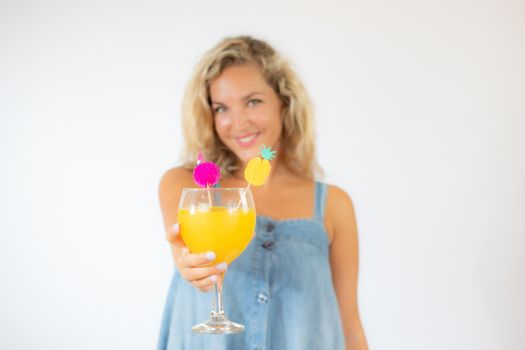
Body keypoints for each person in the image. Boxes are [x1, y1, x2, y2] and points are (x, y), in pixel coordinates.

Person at [157, 35, 368, 350]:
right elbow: (185, 247)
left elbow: (349, 328)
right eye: (221, 108)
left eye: (253, 101)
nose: (238, 122)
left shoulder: (333, 205)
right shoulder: (186, 185)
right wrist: (190, 263)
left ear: (284, 103)